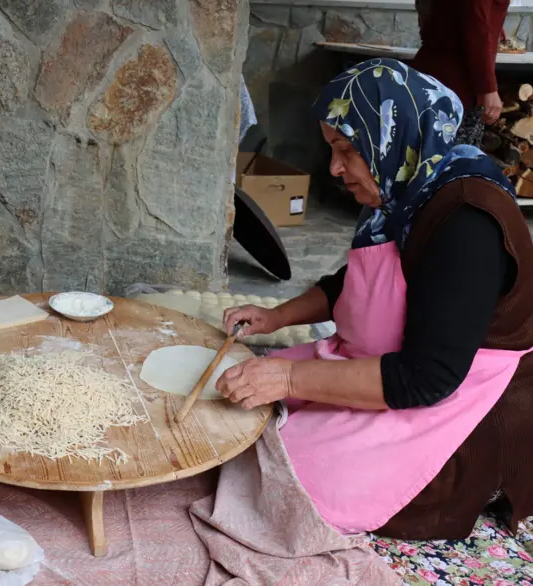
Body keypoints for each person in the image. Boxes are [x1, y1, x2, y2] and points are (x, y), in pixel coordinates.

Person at [217, 58, 533, 540]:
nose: (334, 168)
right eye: (332, 149)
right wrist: (275, 317)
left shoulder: (467, 220)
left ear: (392, 136)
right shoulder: (406, 189)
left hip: (460, 395)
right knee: (240, 407)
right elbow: (361, 279)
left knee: (292, 476)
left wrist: (287, 375)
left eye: (346, 149)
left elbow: (427, 378)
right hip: (391, 365)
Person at [412, 0, 510, 147]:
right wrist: (488, 89)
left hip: (442, 80)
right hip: (454, 85)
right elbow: (476, 29)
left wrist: (493, 22)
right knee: (451, 160)